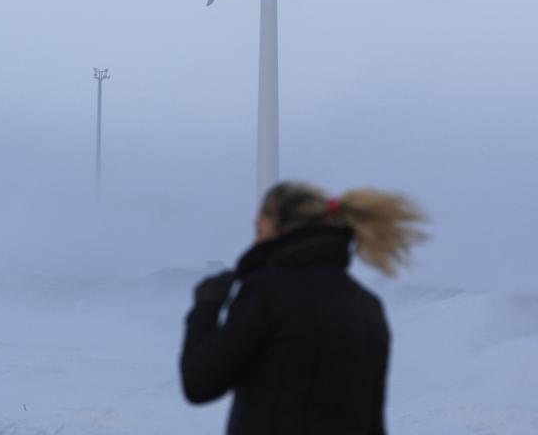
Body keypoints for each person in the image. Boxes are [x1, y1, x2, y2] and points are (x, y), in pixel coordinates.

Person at [179, 181, 427, 434]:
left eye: (259, 229)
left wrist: (206, 307)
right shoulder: (367, 307)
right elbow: (373, 422)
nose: (255, 242)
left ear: (282, 229)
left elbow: (200, 384)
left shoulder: (267, 293)